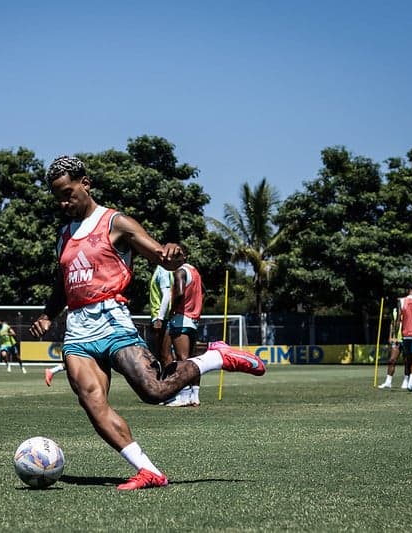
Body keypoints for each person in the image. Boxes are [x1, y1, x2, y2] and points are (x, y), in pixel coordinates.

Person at [29, 155, 266, 491]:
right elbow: (62, 284)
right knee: (92, 403)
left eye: (68, 193)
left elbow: (161, 256)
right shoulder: (63, 235)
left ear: (86, 183)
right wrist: (46, 315)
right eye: (59, 197)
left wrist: (174, 254)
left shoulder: (116, 223)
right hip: (78, 331)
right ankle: (148, 471)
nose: (64, 202)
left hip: (112, 321)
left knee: (154, 391)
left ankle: (217, 357)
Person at [163, 262, 203, 407]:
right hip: (193, 320)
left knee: (182, 359)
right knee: (193, 360)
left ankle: (183, 397)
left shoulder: (180, 271)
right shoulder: (195, 272)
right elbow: (203, 291)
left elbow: (180, 292)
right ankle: (195, 396)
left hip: (181, 318)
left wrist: (173, 309)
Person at [378, 306, 411, 389]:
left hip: (407, 338)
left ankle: (406, 381)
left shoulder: (409, 308)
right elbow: (392, 323)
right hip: (396, 339)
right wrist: (390, 336)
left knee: (407, 361)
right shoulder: (394, 310)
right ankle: (388, 382)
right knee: (392, 360)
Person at [149, 265, 174, 366]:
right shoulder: (163, 270)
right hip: (164, 317)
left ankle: (172, 381)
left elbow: (167, 294)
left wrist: (160, 318)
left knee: (165, 355)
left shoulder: (163, 270)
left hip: (164, 318)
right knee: (161, 355)